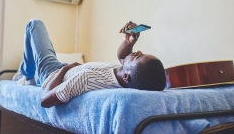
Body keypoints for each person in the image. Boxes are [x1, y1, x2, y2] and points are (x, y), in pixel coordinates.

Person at [13, 19, 166, 108]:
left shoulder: (88, 78)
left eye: (138, 57)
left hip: (51, 73)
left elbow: (45, 101)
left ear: (127, 75)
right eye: (141, 53)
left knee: (34, 24)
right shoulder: (124, 76)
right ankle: (27, 74)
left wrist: (65, 68)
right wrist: (129, 41)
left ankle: (27, 74)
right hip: (67, 69)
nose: (138, 52)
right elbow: (122, 56)